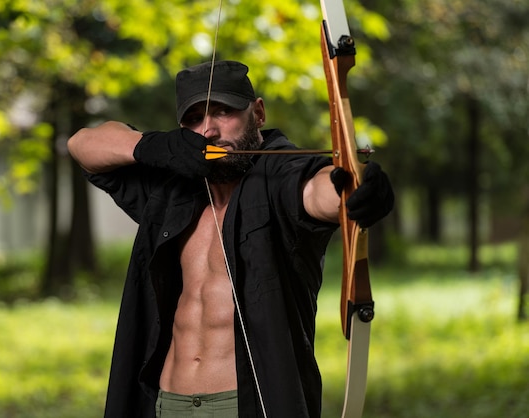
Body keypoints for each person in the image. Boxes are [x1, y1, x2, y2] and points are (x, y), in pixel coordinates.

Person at [67, 60, 394, 418]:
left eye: (223, 112)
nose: (208, 130)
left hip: (244, 406)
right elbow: (82, 145)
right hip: (167, 402)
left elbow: (317, 191)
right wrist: (152, 146)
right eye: (193, 120)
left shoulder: (279, 175)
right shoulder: (171, 186)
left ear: (258, 112)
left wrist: (353, 194)